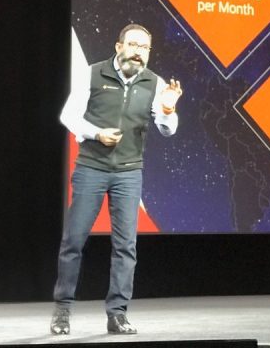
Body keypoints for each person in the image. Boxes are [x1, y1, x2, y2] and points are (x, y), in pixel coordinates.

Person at [51, 23, 183, 335]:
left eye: (144, 48)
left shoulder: (154, 83)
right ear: (118, 47)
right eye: (133, 45)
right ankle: (62, 311)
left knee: (126, 247)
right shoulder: (93, 74)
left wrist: (167, 109)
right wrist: (96, 133)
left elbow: (167, 129)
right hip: (91, 168)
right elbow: (69, 116)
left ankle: (117, 314)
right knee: (74, 241)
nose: (138, 53)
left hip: (128, 172)